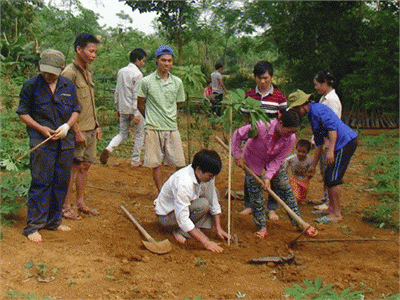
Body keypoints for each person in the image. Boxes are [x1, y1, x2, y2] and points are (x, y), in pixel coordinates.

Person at [16, 49, 80, 242]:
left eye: (52, 72)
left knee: (60, 181)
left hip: (65, 142)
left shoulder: (68, 84)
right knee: (41, 181)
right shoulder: (31, 86)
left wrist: (67, 126)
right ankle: (34, 225)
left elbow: (76, 110)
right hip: (41, 141)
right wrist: (41, 128)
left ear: (61, 69)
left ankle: (53, 221)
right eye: (44, 71)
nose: (47, 75)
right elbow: (22, 113)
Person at [232, 110, 317, 238]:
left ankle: (299, 222)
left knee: (285, 189)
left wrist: (268, 177)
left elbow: (278, 160)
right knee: (255, 193)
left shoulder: (290, 139)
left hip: (273, 161)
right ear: (281, 124)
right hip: (253, 159)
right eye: (289, 131)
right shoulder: (261, 127)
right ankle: (261, 227)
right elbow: (238, 134)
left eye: (294, 132)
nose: (291, 135)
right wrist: (238, 156)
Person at [290, 89, 358, 223]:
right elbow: (319, 142)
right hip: (339, 143)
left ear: (302, 105)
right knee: (328, 176)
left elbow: (332, 129)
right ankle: (331, 208)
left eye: (296, 109)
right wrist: (313, 165)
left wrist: (331, 150)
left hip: (345, 142)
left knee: (333, 178)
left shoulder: (317, 110)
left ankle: (336, 214)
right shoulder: (312, 115)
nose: (296, 112)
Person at [242, 60, 298, 222]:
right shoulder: (250, 95)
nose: (263, 81)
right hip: (254, 143)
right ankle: (250, 205)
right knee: (251, 174)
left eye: (266, 78)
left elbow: (283, 119)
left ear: (271, 77)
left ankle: (272, 208)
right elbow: (246, 118)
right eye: (259, 78)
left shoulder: (280, 97)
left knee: (273, 174)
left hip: (274, 144)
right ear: (255, 77)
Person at [154, 149, 230, 252]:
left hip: (182, 209)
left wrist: (218, 228)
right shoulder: (183, 182)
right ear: (198, 169)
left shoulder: (204, 175)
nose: (212, 179)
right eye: (210, 176)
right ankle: (179, 231)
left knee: (215, 192)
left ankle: (190, 229)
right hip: (167, 217)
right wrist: (206, 242)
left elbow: (214, 201)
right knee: (203, 204)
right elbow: (183, 218)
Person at [61, 32, 101, 220]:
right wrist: (76, 130)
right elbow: (65, 106)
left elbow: (89, 101)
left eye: (95, 52)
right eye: (91, 51)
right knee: (74, 167)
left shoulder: (87, 71)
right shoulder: (69, 73)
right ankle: (65, 206)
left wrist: (97, 124)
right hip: (78, 129)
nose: (93, 55)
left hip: (90, 127)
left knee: (85, 165)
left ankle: (81, 203)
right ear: (79, 49)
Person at [137, 45, 186, 193]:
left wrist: (168, 115)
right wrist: (151, 118)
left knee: (179, 163)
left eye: (170, 61)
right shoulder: (146, 81)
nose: (167, 64)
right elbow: (140, 104)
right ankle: (161, 193)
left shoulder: (177, 82)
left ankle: (176, 191)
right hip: (153, 127)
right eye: (163, 60)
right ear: (157, 60)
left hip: (171, 127)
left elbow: (179, 103)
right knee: (156, 163)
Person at [100, 48, 147, 167]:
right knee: (140, 134)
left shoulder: (121, 71)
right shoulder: (138, 74)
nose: (143, 63)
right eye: (143, 60)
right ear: (138, 59)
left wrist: (117, 107)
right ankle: (135, 160)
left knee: (122, 133)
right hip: (134, 108)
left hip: (123, 108)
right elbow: (137, 94)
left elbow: (117, 91)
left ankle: (109, 148)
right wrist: (137, 113)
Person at [312, 70, 342, 210]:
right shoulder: (324, 98)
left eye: (317, 84)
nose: (316, 87)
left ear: (325, 83)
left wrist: (330, 146)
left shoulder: (331, 101)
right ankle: (326, 198)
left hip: (330, 142)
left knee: (329, 172)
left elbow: (332, 126)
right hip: (324, 141)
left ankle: (330, 202)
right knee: (324, 171)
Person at [284, 139, 313, 204]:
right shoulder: (292, 158)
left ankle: (301, 199)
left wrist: (310, 174)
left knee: (304, 191)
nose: (300, 153)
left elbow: (312, 169)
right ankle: (294, 201)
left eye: (303, 152)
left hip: (305, 179)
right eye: (299, 151)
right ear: (296, 149)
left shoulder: (309, 161)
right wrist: (285, 170)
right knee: (295, 192)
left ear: (308, 152)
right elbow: (285, 162)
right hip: (294, 178)